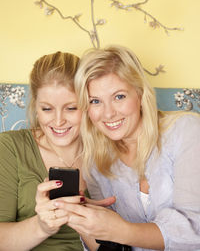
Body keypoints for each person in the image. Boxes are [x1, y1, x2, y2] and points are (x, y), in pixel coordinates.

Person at [54, 45, 200, 251]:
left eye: (119, 96)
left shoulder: (186, 131)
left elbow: (195, 232)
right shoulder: (96, 161)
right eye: (95, 101)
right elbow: (110, 248)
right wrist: (79, 216)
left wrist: (121, 231)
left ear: (139, 94)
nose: (108, 114)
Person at [0, 51, 110, 251]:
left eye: (71, 108)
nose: (58, 121)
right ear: (35, 106)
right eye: (47, 109)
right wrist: (42, 226)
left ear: (87, 104)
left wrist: (80, 215)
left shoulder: (108, 150)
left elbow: (118, 244)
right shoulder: (10, 147)